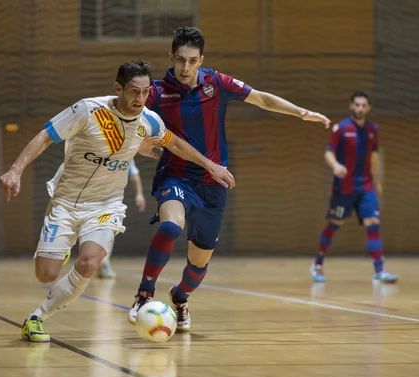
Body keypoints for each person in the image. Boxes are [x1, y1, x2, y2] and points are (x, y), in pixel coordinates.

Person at [0, 60, 235, 342]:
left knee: (89, 263)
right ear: (118, 89)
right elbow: (45, 137)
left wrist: (211, 165)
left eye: (146, 92)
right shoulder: (88, 110)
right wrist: (16, 169)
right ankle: (58, 250)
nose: (140, 99)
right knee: (46, 275)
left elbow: (175, 144)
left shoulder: (149, 120)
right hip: (65, 202)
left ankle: (37, 317)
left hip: (106, 206)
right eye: (134, 92)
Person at [128, 27, 331, 332]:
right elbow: (128, 119)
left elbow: (261, 98)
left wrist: (301, 112)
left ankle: (180, 299)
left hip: (214, 184)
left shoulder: (216, 83)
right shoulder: (157, 92)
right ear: (170, 57)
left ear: (201, 60)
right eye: (180, 60)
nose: (185, 67)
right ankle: (144, 293)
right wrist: (140, 141)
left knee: (198, 263)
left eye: (192, 61)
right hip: (176, 177)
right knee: (171, 226)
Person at [310, 91, 398, 283]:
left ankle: (379, 270)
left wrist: (377, 181)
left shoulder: (373, 130)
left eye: (363, 105)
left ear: (368, 108)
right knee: (335, 224)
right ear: (351, 106)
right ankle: (318, 264)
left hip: (366, 186)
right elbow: (328, 153)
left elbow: (373, 157)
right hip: (345, 187)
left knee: (373, 223)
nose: (360, 108)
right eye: (357, 104)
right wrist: (336, 166)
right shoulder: (341, 128)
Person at [97, 159, 146, 279]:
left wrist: (139, 194)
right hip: (89, 198)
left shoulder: (127, 151)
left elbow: (134, 175)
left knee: (109, 228)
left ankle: (104, 263)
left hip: (110, 200)